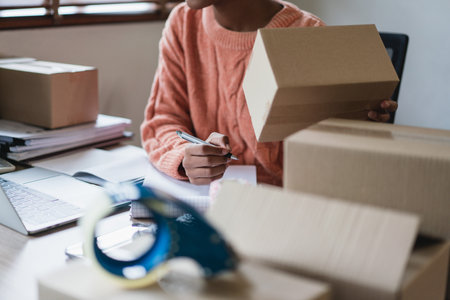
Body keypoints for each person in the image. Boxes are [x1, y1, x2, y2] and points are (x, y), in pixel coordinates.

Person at [140, 0, 398, 186]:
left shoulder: (306, 35)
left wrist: (359, 128)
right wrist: (184, 156)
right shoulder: (183, 23)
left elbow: (327, 163)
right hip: (209, 199)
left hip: (284, 205)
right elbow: (162, 122)